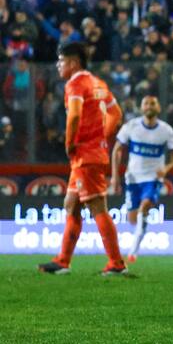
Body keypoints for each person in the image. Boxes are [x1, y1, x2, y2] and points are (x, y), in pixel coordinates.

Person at [38, 42, 126, 276]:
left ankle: (116, 264)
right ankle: (62, 261)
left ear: (73, 62)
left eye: (61, 60)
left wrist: (69, 143)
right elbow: (116, 114)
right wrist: (101, 137)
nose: (58, 65)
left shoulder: (75, 83)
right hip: (91, 153)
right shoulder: (98, 83)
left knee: (97, 206)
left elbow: (75, 114)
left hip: (84, 154)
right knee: (71, 204)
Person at [110, 96, 173, 263]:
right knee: (133, 219)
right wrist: (114, 176)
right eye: (146, 103)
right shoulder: (131, 126)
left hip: (153, 178)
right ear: (141, 108)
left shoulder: (166, 130)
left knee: (145, 207)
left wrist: (166, 169)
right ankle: (141, 228)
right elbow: (117, 150)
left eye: (153, 103)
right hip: (133, 178)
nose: (149, 106)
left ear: (159, 108)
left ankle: (133, 252)